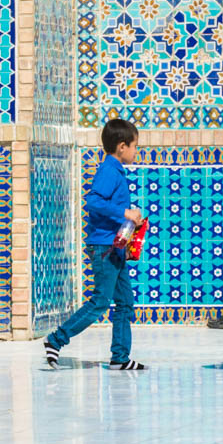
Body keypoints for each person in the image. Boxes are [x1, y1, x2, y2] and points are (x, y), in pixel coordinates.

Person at [44, 118, 147, 371]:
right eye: (134, 146)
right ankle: (56, 340)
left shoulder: (115, 171)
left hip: (115, 247)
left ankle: (120, 357)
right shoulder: (109, 171)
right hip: (104, 248)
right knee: (101, 301)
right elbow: (93, 202)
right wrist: (125, 213)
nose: (136, 151)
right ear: (121, 146)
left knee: (125, 302)